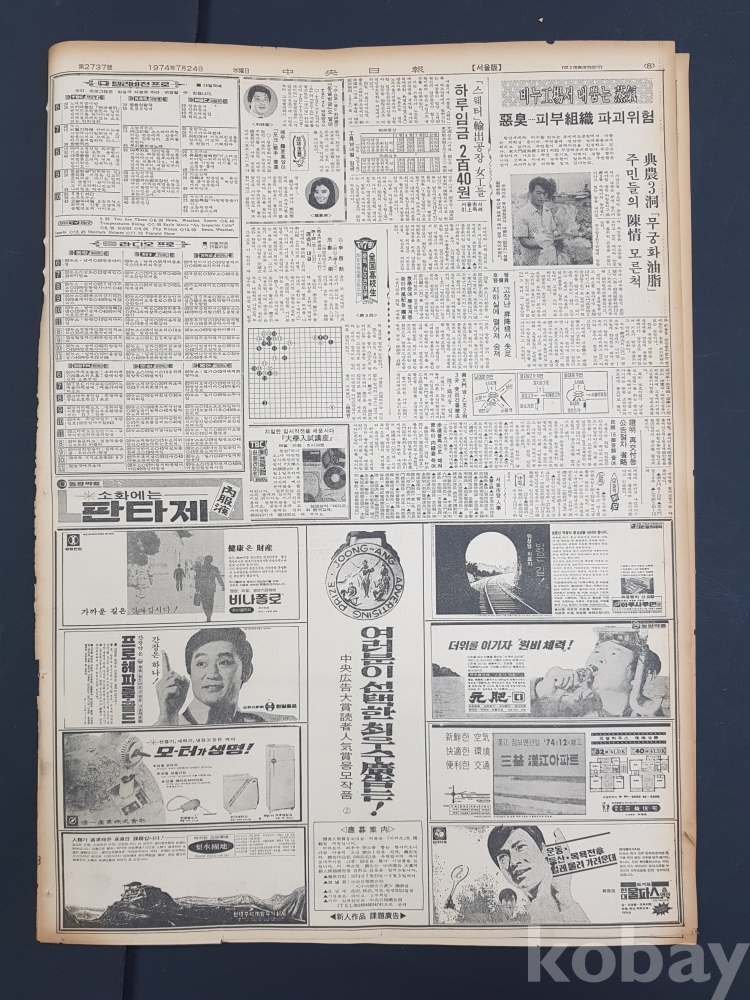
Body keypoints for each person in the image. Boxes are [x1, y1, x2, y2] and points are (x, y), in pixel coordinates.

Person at [154, 627, 294, 726]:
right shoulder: (166, 724)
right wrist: (168, 718)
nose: (212, 674)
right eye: (201, 663)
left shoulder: (276, 724)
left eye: (224, 662)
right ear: (190, 672)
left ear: (246, 672)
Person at [531, 630, 668, 718]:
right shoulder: (573, 706)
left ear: (640, 675)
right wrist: (540, 690)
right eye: (596, 652)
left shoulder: (651, 713)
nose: (599, 659)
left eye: (613, 654)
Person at [487, 825, 589, 924]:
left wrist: (564, 897)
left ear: (543, 850)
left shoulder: (566, 901)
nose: (513, 862)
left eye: (521, 847)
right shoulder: (516, 914)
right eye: (503, 857)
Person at [513, 176, 557, 266]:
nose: (542, 197)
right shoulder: (521, 213)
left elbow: (553, 230)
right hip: (530, 264)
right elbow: (523, 241)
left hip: (548, 262)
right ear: (530, 193)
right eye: (538, 193)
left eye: (545, 194)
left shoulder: (548, 212)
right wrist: (544, 243)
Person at [194, 555, 224, 622]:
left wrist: (197, 588)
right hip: (211, 588)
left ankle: (207, 614)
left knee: (204, 602)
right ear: (211, 561)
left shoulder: (201, 568)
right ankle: (209, 615)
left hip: (203, 588)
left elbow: (197, 579)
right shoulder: (214, 568)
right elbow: (219, 578)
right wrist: (222, 585)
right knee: (210, 602)